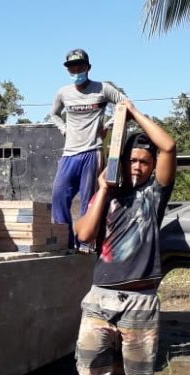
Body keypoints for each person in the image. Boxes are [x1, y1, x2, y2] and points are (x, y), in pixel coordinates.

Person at [72, 98, 176, 375]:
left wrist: (132, 114)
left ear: (151, 168)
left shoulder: (154, 196)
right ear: (121, 161)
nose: (138, 166)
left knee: (139, 373)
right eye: (132, 159)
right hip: (100, 297)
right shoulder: (106, 196)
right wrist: (102, 188)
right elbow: (84, 235)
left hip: (141, 299)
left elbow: (168, 145)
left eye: (144, 162)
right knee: (87, 366)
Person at [50, 48, 127, 249]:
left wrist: (108, 125)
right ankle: (64, 242)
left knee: (89, 199)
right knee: (58, 195)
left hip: (92, 151)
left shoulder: (102, 89)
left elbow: (125, 104)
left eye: (80, 66)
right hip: (69, 153)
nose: (76, 70)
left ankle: (85, 243)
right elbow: (54, 114)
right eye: (72, 67)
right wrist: (64, 129)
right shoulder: (63, 92)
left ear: (88, 67)